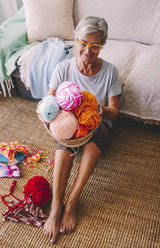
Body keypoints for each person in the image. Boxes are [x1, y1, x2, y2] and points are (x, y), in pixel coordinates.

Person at [43, 16, 122, 243]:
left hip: (99, 124)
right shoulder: (63, 68)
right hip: (71, 126)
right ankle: (56, 206)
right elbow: (49, 100)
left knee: (93, 144)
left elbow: (115, 111)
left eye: (95, 46)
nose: (88, 50)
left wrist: (101, 110)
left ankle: (72, 202)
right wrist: (49, 116)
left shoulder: (110, 72)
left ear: (102, 45)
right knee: (65, 141)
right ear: (77, 41)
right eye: (83, 43)